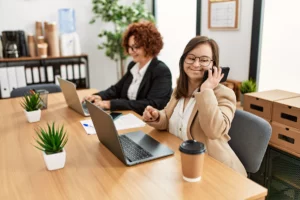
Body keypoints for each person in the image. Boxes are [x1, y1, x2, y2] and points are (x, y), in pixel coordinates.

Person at [142, 36, 247, 176]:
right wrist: (156, 116)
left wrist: (206, 90)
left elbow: (214, 131)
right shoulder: (180, 89)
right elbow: (169, 120)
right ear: (183, 60)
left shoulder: (224, 94)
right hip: (184, 162)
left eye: (204, 60)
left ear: (213, 65)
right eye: (191, 58)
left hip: (216, 170)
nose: (196, 64)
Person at [84, 21, 172, 115]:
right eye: (129, 47)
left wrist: (111, 104)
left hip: (146, 121)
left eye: (135, 47)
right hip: (128, 116)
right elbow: (116, 89)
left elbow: (153, 104)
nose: (131, 51)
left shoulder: (161, 71)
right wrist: (99, 96)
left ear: (149, 46)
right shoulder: (133, 66)